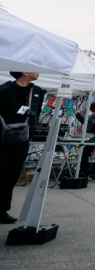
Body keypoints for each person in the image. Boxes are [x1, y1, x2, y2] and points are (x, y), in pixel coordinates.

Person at [0, 71, 38, 224]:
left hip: (23, 139)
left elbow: (36, 114)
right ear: (25, 71)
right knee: (1, 172)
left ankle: (2, 209)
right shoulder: (5, 90)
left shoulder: (36, 91)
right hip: (3, 138)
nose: (38, 72)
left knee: (12, 175)